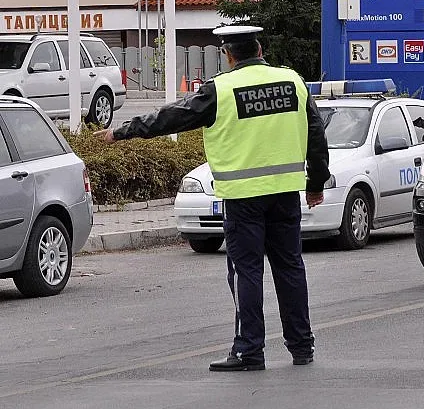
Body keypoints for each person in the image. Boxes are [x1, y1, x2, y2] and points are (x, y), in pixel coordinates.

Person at [94, 25, 331, 371]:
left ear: (228, 55)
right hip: (284, 193)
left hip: (243, 198)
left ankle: (250, 351)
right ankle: (302, 346)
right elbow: (316, 134)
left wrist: (120, 132)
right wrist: (317, 183)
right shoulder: (292, 81)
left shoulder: (221, 89)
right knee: (290, 268)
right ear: (260, 48)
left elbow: (170, 117)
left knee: (246, 273)